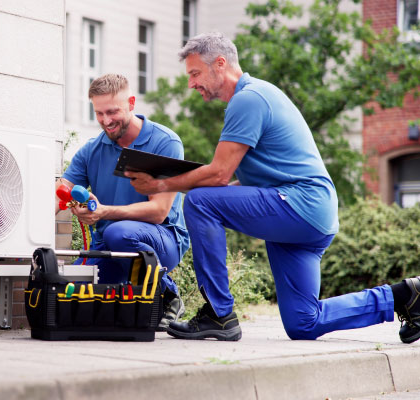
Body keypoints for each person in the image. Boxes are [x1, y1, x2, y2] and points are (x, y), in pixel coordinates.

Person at [127, 32, 420, 343]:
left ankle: (217, 313)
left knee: (200, 201)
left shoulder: (248, 98)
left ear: (221, 64)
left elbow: (219, 176)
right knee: (303, 323)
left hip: (300, 204)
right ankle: (404, 296)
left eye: (195, 73)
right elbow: (236, 183)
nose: (191, 84)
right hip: (307, 215)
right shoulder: (255, 97)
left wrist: (160, 184)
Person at [56, 73, 190, 331]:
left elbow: (159, 212)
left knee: (119, 231)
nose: (106, 121)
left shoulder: (164, 143)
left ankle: (167, 294)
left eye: (112, 111)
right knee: (66, 293)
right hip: (108, 245)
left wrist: (104, 212)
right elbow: (61, 190)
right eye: (99, 113)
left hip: (162, 240)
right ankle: (137, 299)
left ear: (131, 102)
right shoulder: (92, 150)